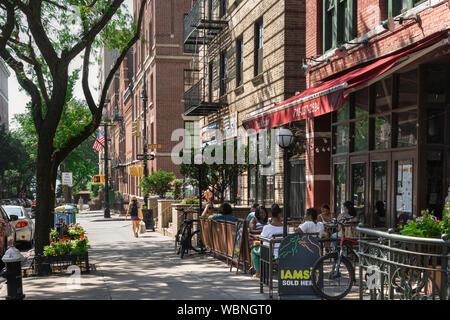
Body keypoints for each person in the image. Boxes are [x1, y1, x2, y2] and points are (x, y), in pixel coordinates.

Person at [251, 204, 284, 279]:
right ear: (280, 215)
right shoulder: (286, 228)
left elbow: (261, 239)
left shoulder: (267, 228)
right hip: (283, 253)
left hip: (269, 254)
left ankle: (258, 273)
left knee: (254, 251)